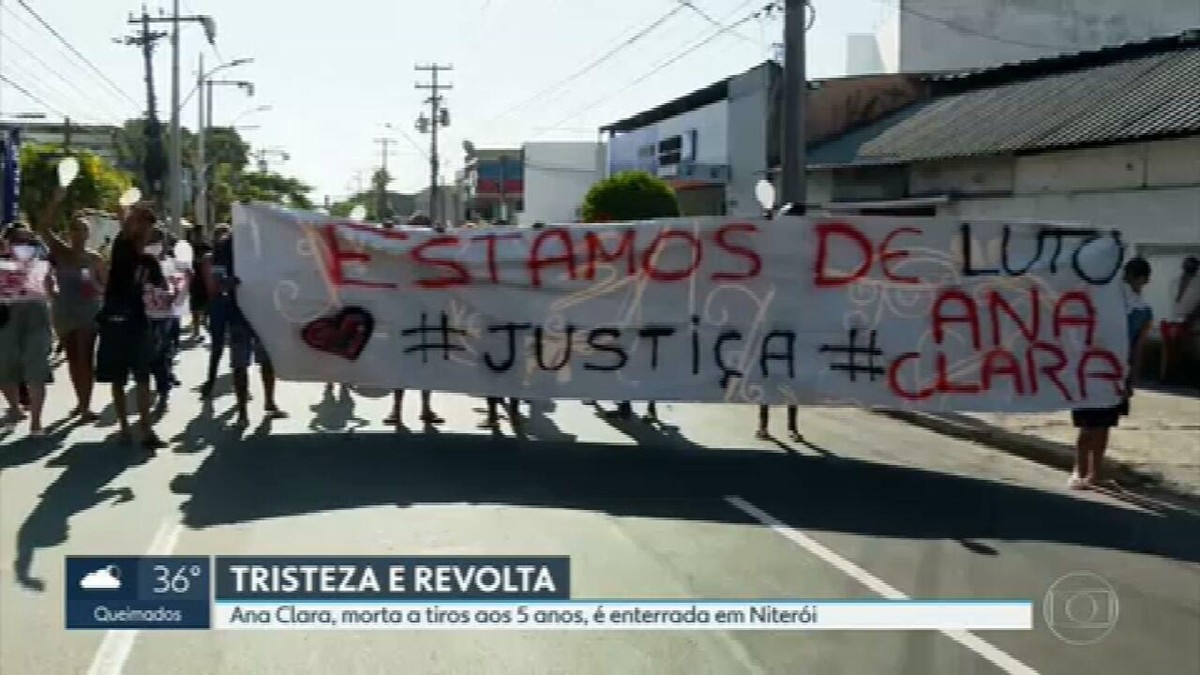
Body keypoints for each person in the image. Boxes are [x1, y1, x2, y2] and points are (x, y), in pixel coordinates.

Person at [1069, 257, 1154, 490]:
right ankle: (1087, 472)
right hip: (1110, 373)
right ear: (1143, 280)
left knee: (1093, 424)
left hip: (1093, 370)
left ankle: (1085, 472)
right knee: (1098, 425)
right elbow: (1138, 348)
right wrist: (1132, 379)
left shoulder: (1105, 302)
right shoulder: (1140, 310)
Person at [94, 202, 167, 450]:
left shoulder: (150, 261)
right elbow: (124, 223)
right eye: (141, 223)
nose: (144, 229)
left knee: (143, 375)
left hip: (138, 321)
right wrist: (130, 209)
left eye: (147, 225)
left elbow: (162, 291)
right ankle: (124, 427)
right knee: (118, 377)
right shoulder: (122, 246)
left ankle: (146, 429)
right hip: (115, 319)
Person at [203, 225, 287, 426]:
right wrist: (228, 283)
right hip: (238, 314)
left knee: (267, 362)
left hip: (263, 314)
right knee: (240, 364)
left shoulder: (265, 247)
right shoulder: (225, 248)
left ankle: (269, 402)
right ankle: (242, 412)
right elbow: (217, 281)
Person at [33, 211, 106, 422]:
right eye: (75, 228)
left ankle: (86, 406)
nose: (79, 233)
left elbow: (106, 285)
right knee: (73, 359)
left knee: (86, 357)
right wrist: (56, 202)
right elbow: (43, 227)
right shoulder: (60, 252)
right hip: (64, 310)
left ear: (88, 233)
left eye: (83, 229)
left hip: (88, 310)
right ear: (69, 232)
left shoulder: (95, 258)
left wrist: (95, 286)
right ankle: (80, 402)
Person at [0, 226, 55, 435]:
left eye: (27, 240)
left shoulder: (42, 262)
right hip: (5, 313)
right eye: (16, 240)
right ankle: (14, 408)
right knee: (5, 366)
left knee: (37, 368)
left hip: (36, 314)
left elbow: (51, 289)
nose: (23, 244)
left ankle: (36, 422)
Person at [199, 225, 232, 398]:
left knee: (237, 345)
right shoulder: (209, 258)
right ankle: (210, 381)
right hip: (218, 303)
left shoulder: (235, 257)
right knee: (217, 346)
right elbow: (211, 287)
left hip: (231, 303)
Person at [1160, 255, 1199, 382]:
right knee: (1168, 349)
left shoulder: (1198, 283)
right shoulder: (1174, 281)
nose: (1189, 267)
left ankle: (1185, 377)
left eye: (1192, 265)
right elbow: (1171, 301)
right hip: (1171, 319)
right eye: (1187, 264)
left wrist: (1191, 317)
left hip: (1189, 322)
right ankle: (1166, 376)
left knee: (1186, 350)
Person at [186, 227, 211, 340]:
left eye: (199, 234)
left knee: (206, 307)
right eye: (195, 235)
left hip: (206, 280)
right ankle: (196, 331)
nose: (197, 237)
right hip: (194, 281)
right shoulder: (189, 248)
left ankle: (204, 326)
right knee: (195, 307)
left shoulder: (207, 248)